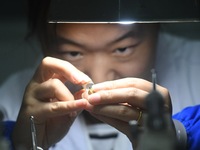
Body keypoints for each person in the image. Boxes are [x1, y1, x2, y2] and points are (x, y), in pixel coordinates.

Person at [1, 0, 198, 150]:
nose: (99, 77)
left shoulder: (195, 70)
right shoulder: (10, 103)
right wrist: (24, 144)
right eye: (73, 52)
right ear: (42, 41)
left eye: (122, 49)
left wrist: (179, 137)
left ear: (156, 27)